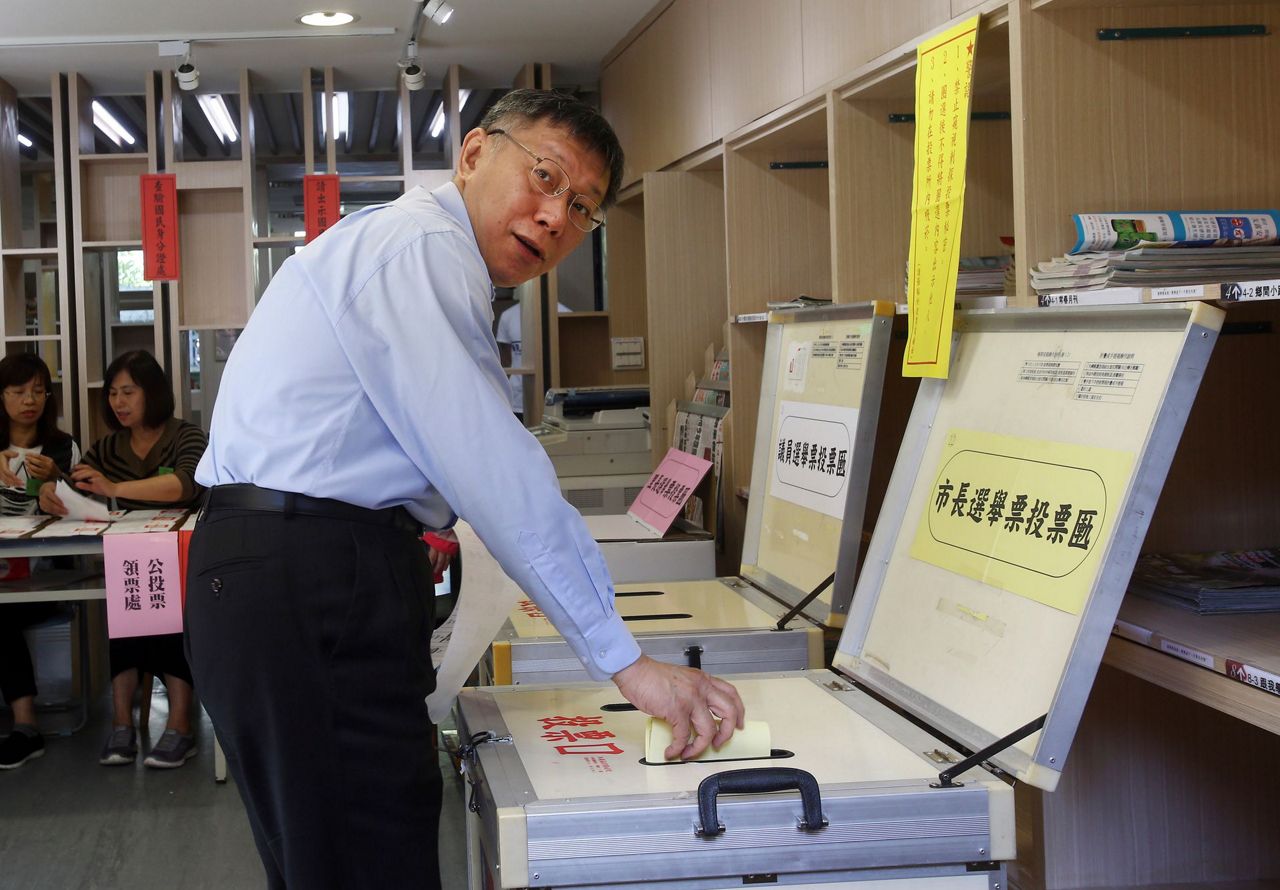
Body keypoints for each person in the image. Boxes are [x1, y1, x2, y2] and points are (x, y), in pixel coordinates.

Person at [185, 88, 744, 889]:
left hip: (289, 571)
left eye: (582, 208)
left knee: (337, 852)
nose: (557, 217)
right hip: (307, 573)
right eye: (545, 178)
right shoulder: (421, 246)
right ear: (476, 152)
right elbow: (496, 469)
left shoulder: (415, 252)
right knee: (367, 852)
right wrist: (624, 660)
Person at [39, 350, 208, 769]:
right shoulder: (109, 446)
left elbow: (183, 486)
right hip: (128, 561)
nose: (118, 402)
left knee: (165, 619)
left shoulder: (186, 435)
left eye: (128, 391)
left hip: (179, 559)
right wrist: (52, 492)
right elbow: (80, 487)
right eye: (113, 393)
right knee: (126, 615)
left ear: (153, 393)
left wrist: (115, 485)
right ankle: (121, 725)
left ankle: (181, 726)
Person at [0, 354, 80, 770]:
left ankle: (25, 726)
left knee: (2, 612)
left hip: (48, 573)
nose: (29, 400)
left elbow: (89, 509)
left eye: (38, 391)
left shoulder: (62, 447)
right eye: (18, 392)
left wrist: (60, 483)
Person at [495, 296, 569, 420]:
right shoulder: (508, 316)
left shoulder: (564, 313)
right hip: (516, 399)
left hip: (556, 396)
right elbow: (506, 357)